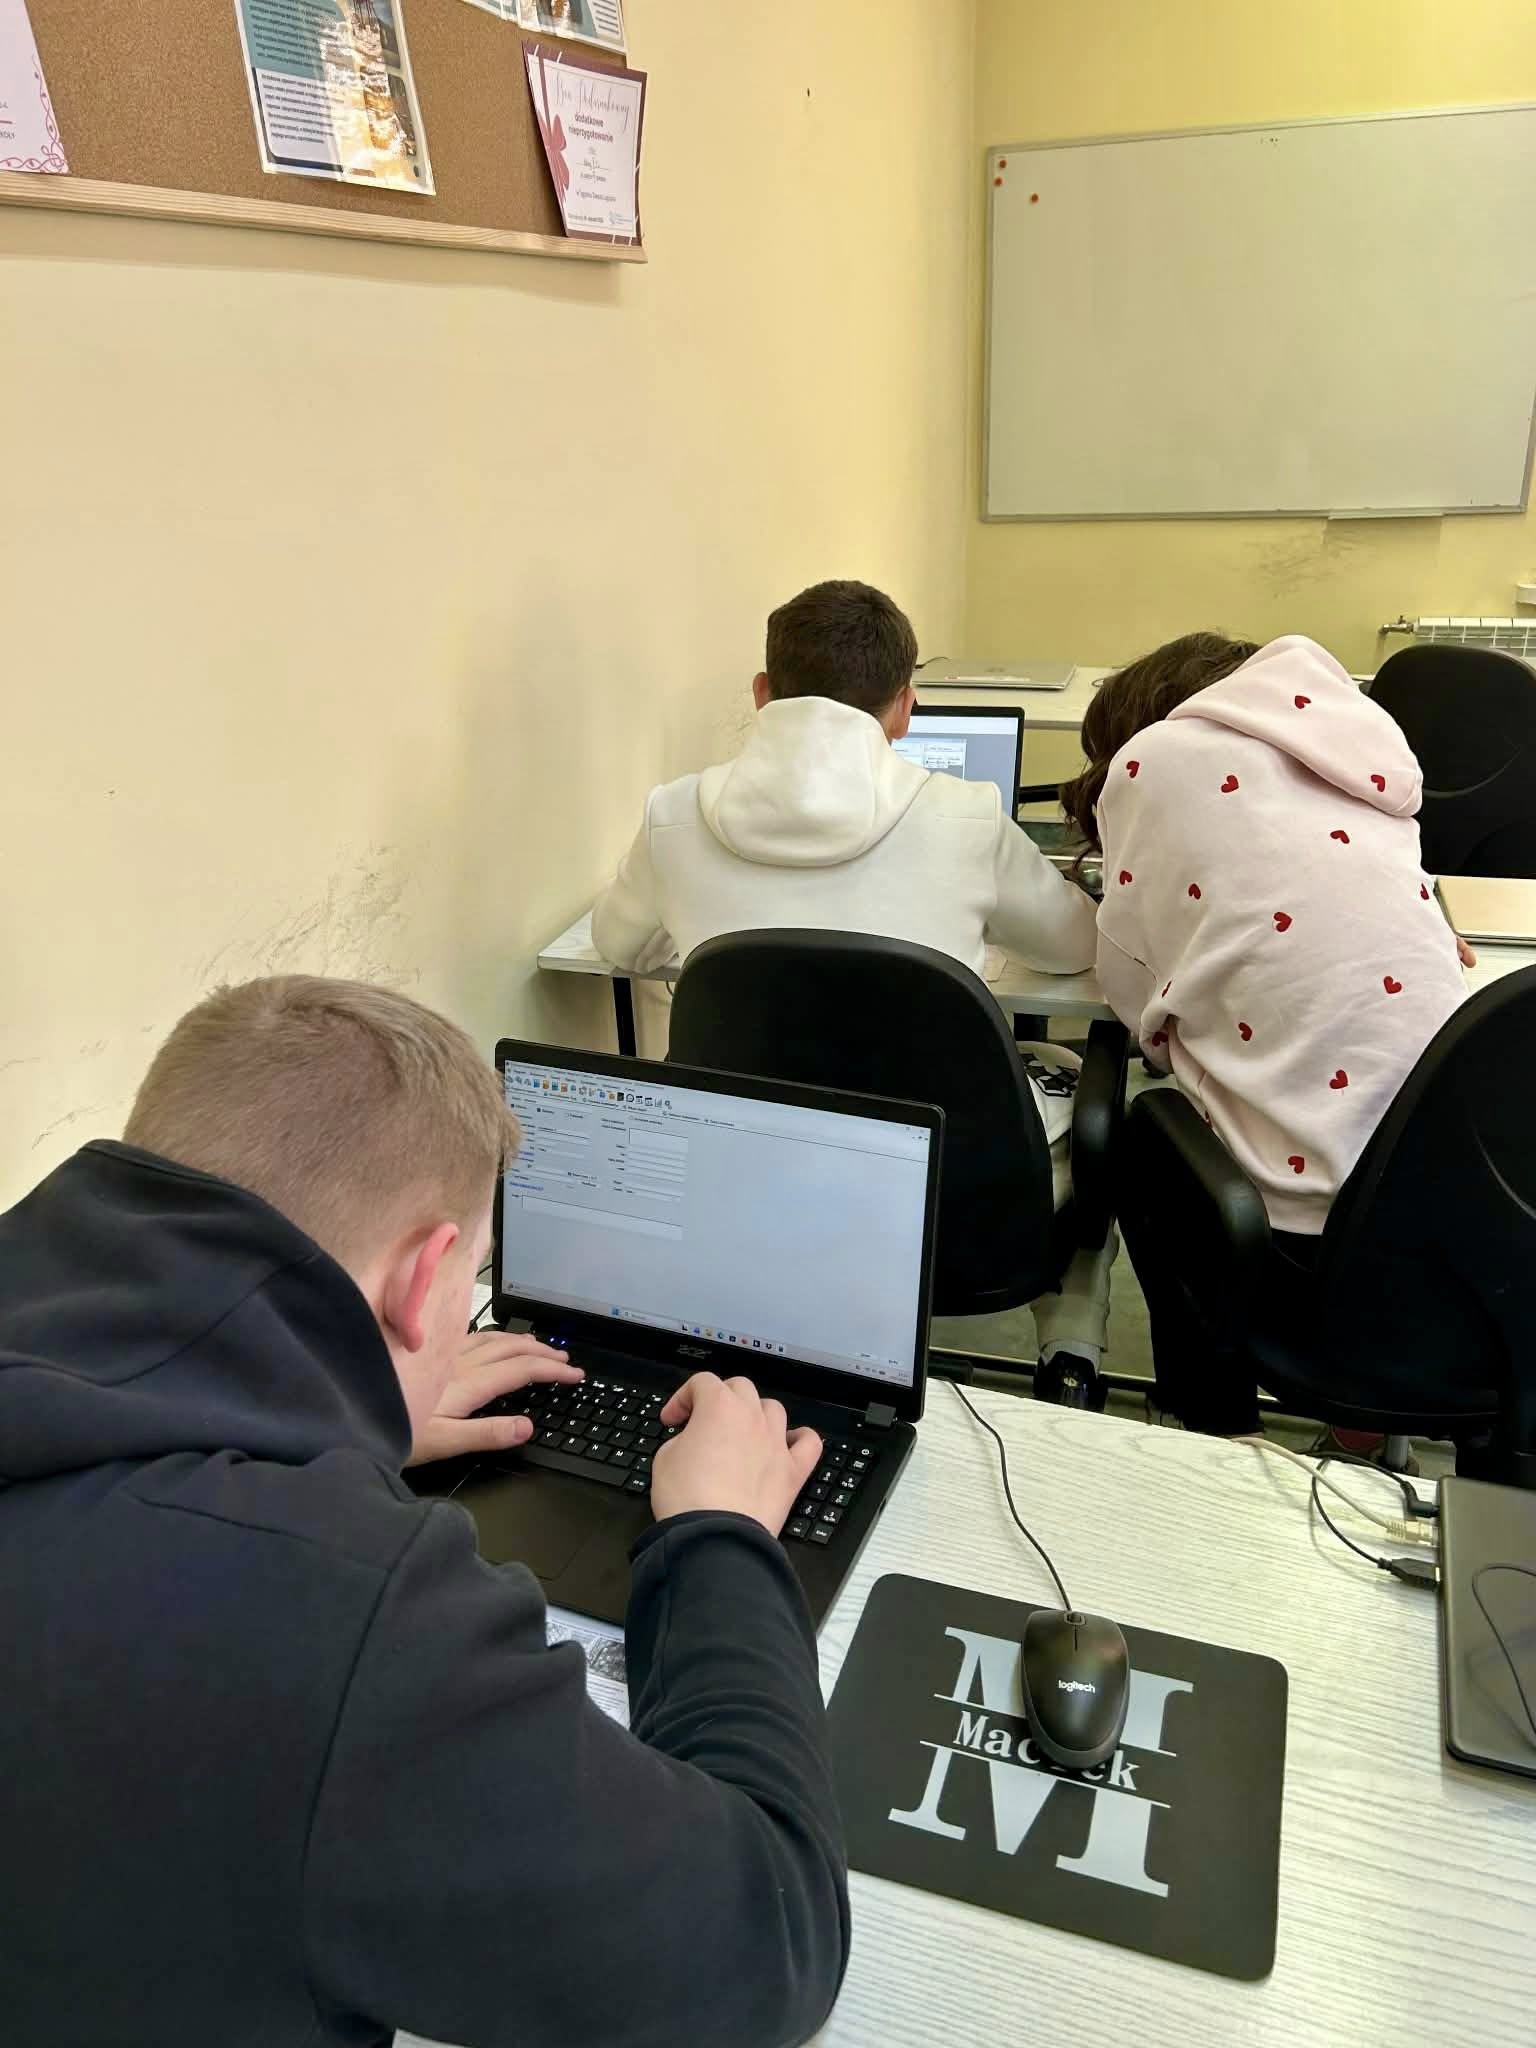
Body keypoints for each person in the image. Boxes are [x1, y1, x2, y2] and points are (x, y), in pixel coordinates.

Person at [0, 976, 848, 2048]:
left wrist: (331, 1412)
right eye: (473, 1277)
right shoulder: (344, 1610)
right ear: (424, 1277)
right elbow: (767, 1946)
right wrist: (720, 1532)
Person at [594, 578, 1113, 1402]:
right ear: (905, 707)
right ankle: (1069, 1346)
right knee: (1079, 1088)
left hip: (748, 1183)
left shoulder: (674, 813)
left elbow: (616, 946)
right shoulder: (967, 813)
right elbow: (1075, 947)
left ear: (762, 693)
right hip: (944, 1190)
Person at [1061, 631, 1470, 1432]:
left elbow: (1139, 1004)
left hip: (1293, 1245)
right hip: (1449, 1225)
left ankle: (1212, 1427)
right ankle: (1362, 1423)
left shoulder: (1155, 760)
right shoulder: (1357, 742)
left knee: (1146, 1132)